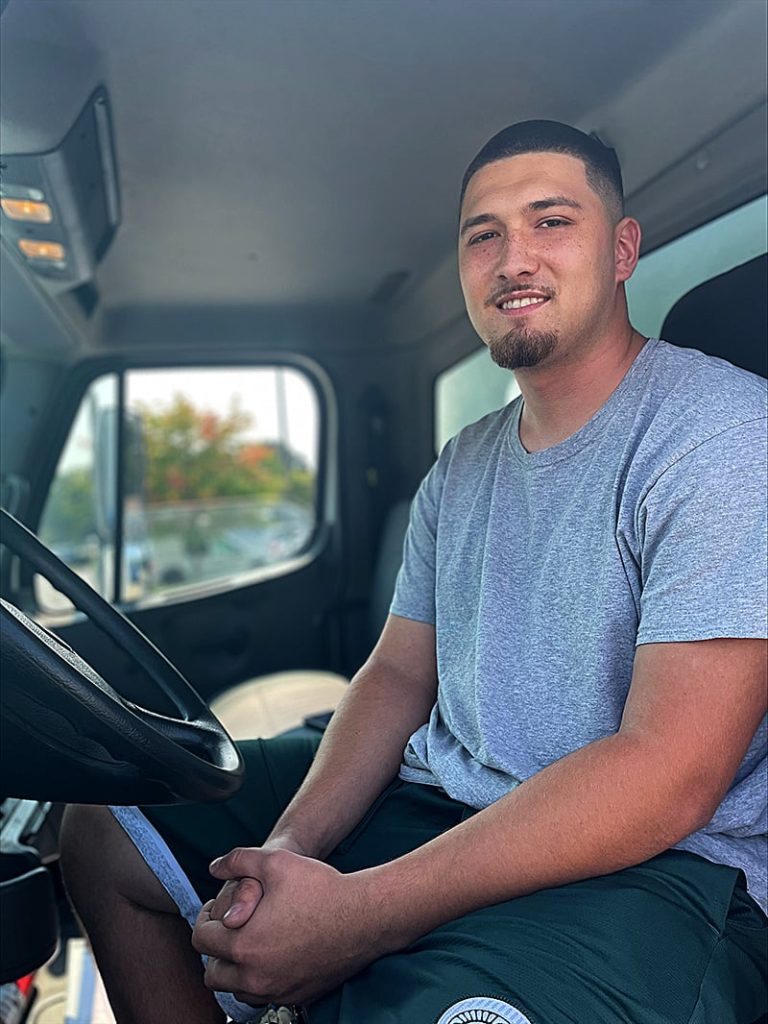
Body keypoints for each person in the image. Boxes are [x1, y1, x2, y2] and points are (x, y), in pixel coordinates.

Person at [60, 121, 768, 1024]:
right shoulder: (463, 465)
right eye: (484, 235)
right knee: (107, 828)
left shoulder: (720, 437)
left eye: (552, 221)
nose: (514, 258)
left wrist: (358, 917)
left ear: (622, 249)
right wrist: (287, 855)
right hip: (439, 798)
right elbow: (397, 676)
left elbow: (668, 771)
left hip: (654, 874)